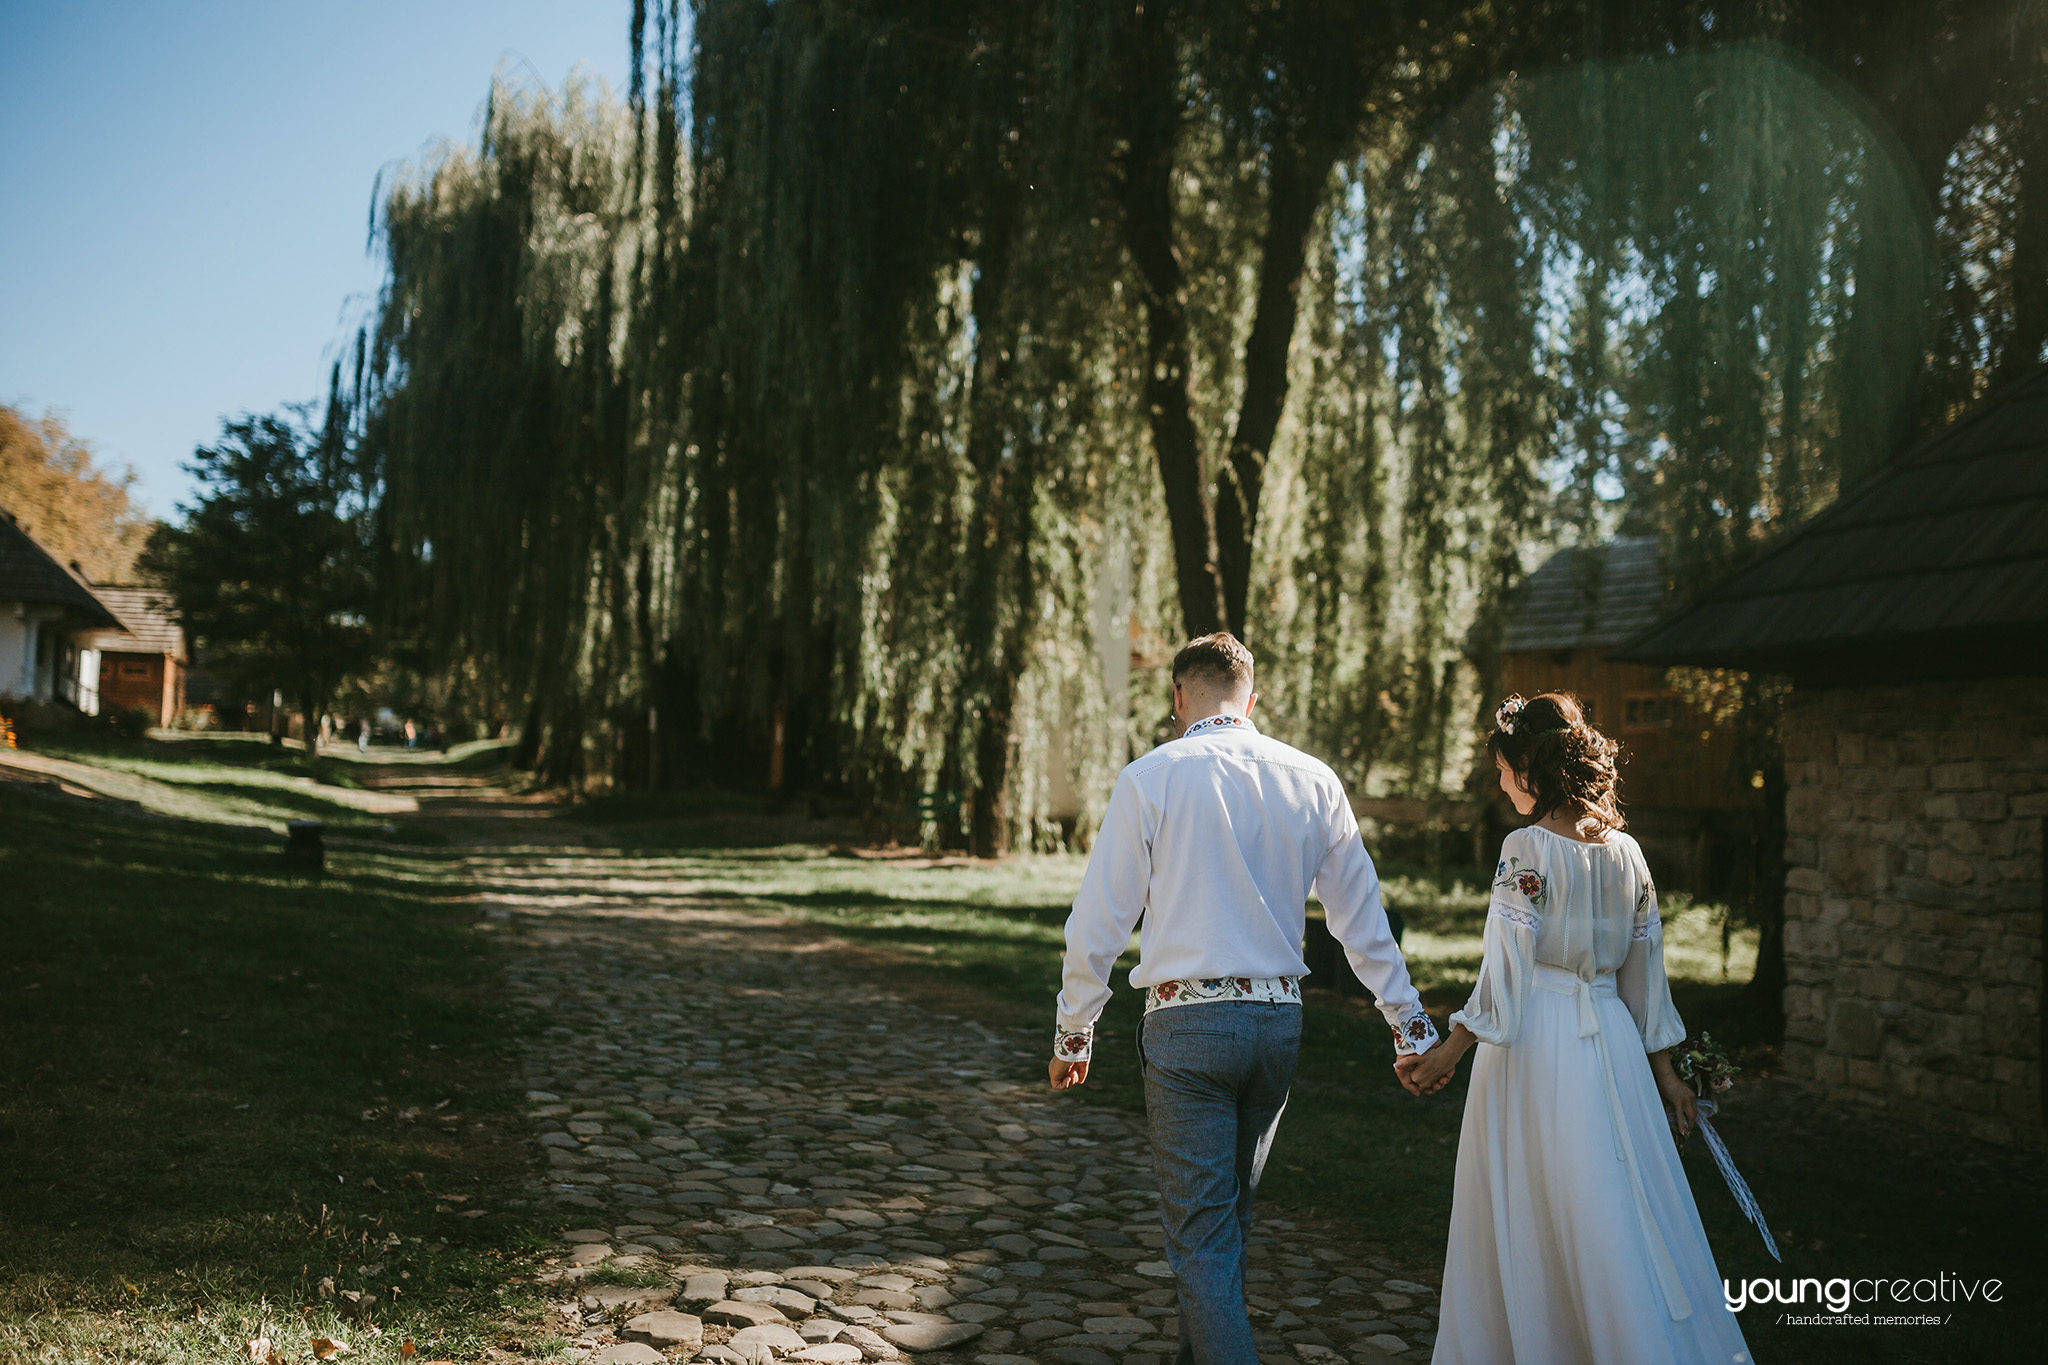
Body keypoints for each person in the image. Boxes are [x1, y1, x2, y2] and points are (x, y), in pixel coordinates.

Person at [1052, 632, 1439, 1365]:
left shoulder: (1151, 776)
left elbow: (1099, 920)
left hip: (1187, 1029)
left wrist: (1076, 1032)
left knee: (1200, 1241)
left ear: (1178, 698)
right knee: (1222, 1230)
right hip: (1276, 1027)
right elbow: (1363, 919)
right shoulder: (1313, 779)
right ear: (1251, 699)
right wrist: (1410, 1026)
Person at [1406, 693, 1751, 1364]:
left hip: (1537, 1046)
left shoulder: (1525, 848)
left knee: (1539, 1205)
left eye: (1503, 769)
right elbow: (1646, 974)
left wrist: (1446, 1050)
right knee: (1614, 1202)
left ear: (1529, 767)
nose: (1501, 783)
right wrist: (1666, 1073)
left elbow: (1506, 975)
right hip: (1615, 1043)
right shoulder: (1627, 853)